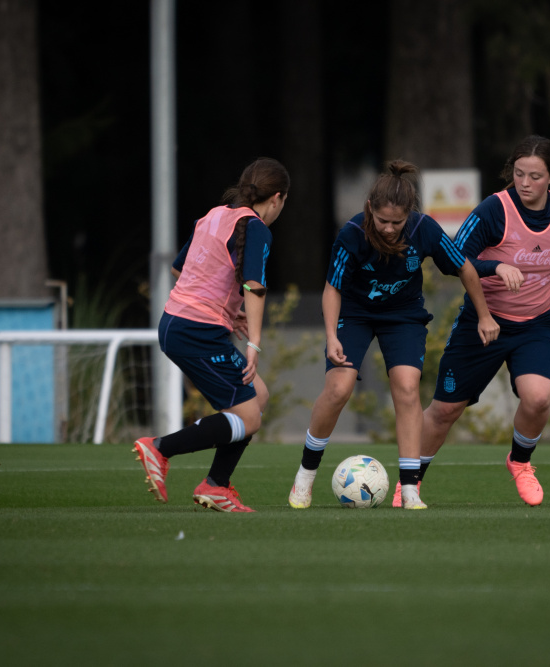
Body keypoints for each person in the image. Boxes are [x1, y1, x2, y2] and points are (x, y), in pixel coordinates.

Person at [287, 160, 500, 510]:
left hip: (403, 316)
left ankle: (411, 489)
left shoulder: (424, 230)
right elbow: (331, 289)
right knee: (339, 388)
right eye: (382, 220)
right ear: (369, 207)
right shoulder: (352, 233)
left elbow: (465, 268)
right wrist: (332, 336)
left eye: (396, 223)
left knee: (407, 388)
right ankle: (305, 477)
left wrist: (485, 315)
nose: (387, 229)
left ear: (410, 215)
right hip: (354, 314)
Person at [415, 135, 550, 507]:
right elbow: (454, 258)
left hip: (537, 325)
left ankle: (520, 462)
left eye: (534, 176)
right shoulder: (493, 211)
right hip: (483, 322)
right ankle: (410, 483)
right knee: (445, 409)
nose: (525, 184)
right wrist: (495, 265)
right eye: (518, 174)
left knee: (539, 398)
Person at [133, 157, 290, 513]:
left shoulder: (215, 214)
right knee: (249, 416)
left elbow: (179, 268)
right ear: (278, 198)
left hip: (175, 323)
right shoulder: (255, 228)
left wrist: (227, 312)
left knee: (258, 397)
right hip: (197, 331)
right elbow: (254, 286)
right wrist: (253, 344)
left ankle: (216, 485)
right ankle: (160, 448)